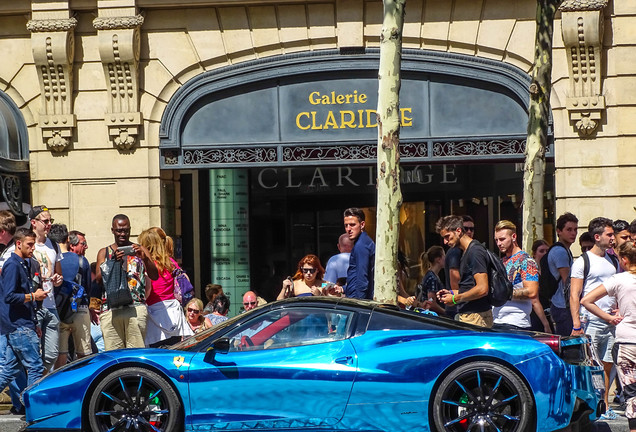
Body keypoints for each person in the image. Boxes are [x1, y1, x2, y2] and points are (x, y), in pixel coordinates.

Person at [581, 241, 636, 430]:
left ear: (625, 260)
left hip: (626, 341)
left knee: (631, 393)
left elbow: (586, 300)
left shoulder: (618, 279)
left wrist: (609, 317)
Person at [570, 217, 617, 418]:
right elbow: (575, 294)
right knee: (591, 367)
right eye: (609, 234)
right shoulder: (582, 262)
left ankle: (604, 405)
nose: (613, 238)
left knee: (608, 365)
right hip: (591, 321)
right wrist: (576, 323)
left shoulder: (612, 259)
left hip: (611, 321)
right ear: (597, 237)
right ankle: (591, 408)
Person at [94, 214, 158, 350]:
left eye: (126, 230)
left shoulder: (139, 249)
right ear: (112, 230)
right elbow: (98, 280)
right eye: (119, 230)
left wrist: (145, 258)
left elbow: (154, 276)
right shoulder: (104, 252)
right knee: (113, 355)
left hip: (135, 308)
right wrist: (112, 261)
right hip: (111, 309)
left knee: (135, 352)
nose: (123, 234)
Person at [0, 229, 49, 402]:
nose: (33, 248)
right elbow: (9, 296)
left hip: (23, 324)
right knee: (35, 367)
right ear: (18, 244)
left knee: (9, 371)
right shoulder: (12, 265)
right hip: (19, 326)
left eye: (34, 244)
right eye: (30, 244)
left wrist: (34, 323)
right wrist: (34, 296)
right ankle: (33, 407)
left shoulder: (23, 263)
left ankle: (30, 405)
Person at [139, 227, 193, 348]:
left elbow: (147, 291)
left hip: (154, 315)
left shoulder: (148, 265)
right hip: (174, 313)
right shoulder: (171, 262)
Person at [493, 220, 550, 332]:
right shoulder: (501, 261)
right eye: (496, 240)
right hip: (497, 321)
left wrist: (503, 293)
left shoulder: (526, 261)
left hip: (516, 323)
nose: (499, 243)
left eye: (502, 239)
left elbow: (532, 292)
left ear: (513, 236)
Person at [435, 215, 492, 327]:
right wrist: (450, 293)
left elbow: (482, 288)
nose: (445, 242)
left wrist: (455, 298)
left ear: (458, 231)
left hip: (476, 317)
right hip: (470, 315)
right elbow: (469, 287)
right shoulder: (465, 251)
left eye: (447, 236)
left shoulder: (475, 251)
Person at [28, 205, 64, 373]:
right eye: (45, 221)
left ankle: (38, 384)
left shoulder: (53, 245)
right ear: (34, 222)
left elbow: (59, 274)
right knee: (32, 355)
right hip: (33, 306)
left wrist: (58, 279)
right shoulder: (25, 243)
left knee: (51, 354)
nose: (49, 224)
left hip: (51, 305)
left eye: (51, 220)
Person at [0, 211, 27, 414]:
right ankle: (21, 402)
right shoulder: (7, 252)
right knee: (13, 362)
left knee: (9, 362)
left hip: (8, 317)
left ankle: (23, 402)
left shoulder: (10, 255)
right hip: (8, 316)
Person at [54, 228, 92, 369]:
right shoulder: (82, 261)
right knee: (84, 354)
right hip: (80, 309)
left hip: (60, 311)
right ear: (70, 243)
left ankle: (59, 385)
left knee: (60, 355)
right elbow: (88, 288)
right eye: (84, 244)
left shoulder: (53, 260)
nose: (86, 247)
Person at [546, 212, 579, 337]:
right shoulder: (560, 251)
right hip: (562, 306)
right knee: (569, 347)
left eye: (575, 229)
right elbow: (568, 282)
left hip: (561, 305)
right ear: (559, 231)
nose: (573, 233)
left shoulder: (565, 250)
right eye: (569, 229)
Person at [343, 208, 375, 299]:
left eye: (352, 225)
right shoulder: (363, 242)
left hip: (358, 301)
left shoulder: (361, 245)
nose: (348, 229)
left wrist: (359, 305)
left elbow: (362, 278)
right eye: (346, 225)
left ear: (362, 225)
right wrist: (343, 288)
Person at [416, 246, 446, 316]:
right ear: (438, 259)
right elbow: (431, 302)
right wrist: (445, 312)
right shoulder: (432, 278)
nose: (446, 258)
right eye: (444, 256)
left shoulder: (430, 275)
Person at [530, 239, 552, 332]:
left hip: (550, 313)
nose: (545, 253)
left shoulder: (550, 272)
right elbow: (533, 299)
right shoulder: (531, 272)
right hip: (536, 316)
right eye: (541, 251)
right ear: (534, 254)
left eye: (547, 251)